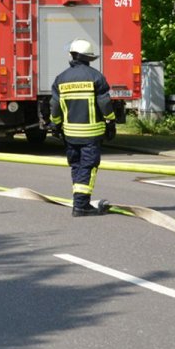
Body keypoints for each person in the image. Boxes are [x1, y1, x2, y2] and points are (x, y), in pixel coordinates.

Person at [49, 39, 115, 216]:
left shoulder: (61, 79)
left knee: (77, 167)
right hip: (92, 134)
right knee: (88, 166)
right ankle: (81, 206)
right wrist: (111, 121)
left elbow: (54, 106)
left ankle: (79, 201)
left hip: (69, 134)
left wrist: (54, 124)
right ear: (89, 58)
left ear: (72, 55)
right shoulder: (96, 77)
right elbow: (105, 103)